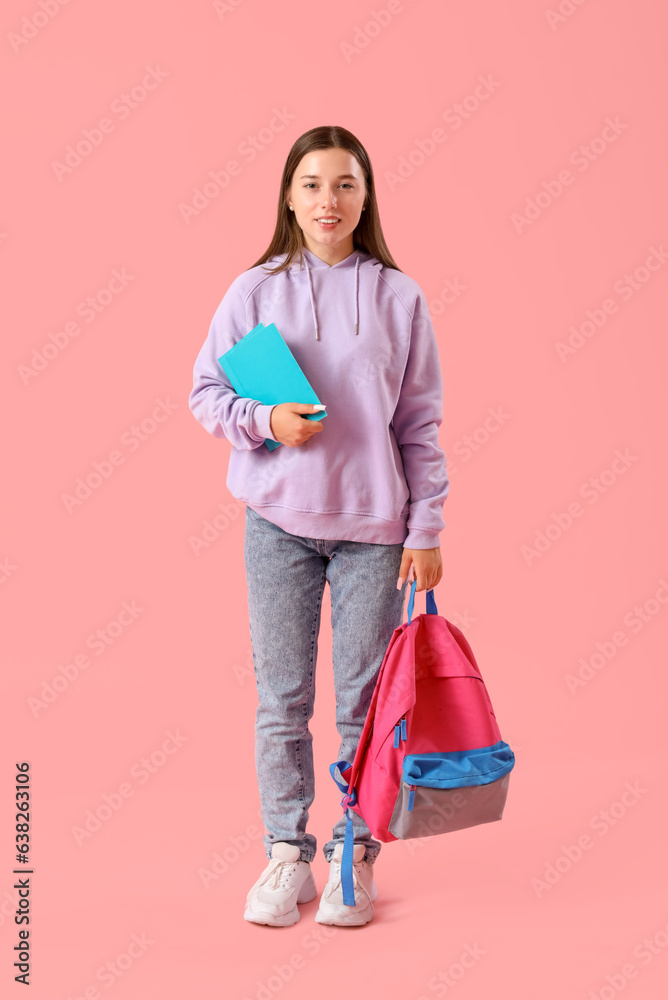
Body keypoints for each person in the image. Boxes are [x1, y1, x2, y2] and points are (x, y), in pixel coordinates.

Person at [188, 125, 449, 928]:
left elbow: (420, 421)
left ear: (365, 195)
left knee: (364, 703)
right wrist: (267, 419)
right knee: (282, 696)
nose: (326, 200)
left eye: (343, 184)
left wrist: (427, 527)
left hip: (375, 527)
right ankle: (285, 854)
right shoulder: (254, 290)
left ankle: (354, 851)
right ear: (288, 196)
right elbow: (206, 394)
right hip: (278, 524)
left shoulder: (400, 298)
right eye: (310, 184)